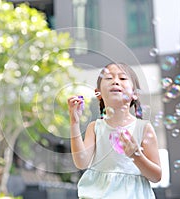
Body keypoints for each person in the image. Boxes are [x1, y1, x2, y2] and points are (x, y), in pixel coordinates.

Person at [67, 63, 162, 199]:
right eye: (109, 78)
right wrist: (74, 123)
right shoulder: (95, 127)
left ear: (135, 94)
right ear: (98, 93)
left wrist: (136, 156)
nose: (115, 81)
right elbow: (81, 162)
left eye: (123, 78)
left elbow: (156, 176)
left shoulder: (143, 128)